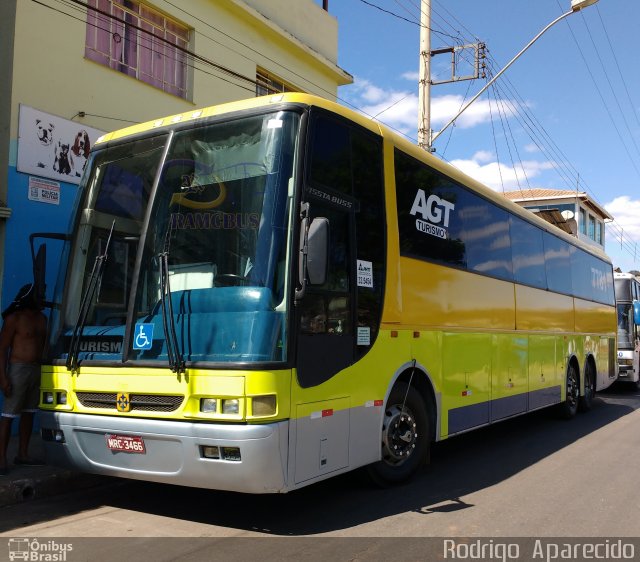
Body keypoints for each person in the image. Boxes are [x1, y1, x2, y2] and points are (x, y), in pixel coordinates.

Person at [0, 284, 47, 475]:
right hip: (17, 370)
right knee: (9, 415)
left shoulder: (43, 319)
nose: (43, 297)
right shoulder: (15, 319)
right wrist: (2, 377)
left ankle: (23, 454)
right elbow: (2, 349)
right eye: (40, 294)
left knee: (29, 412)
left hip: (37, 370)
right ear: (30, 297)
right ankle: (1, 459)